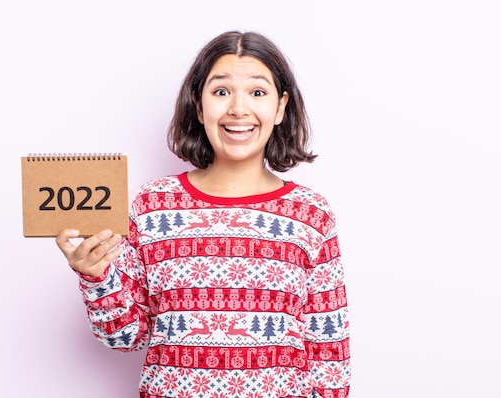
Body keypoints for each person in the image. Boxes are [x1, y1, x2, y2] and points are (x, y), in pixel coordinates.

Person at [56, 30, 351, 398]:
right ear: (199, 105)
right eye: (221, 91)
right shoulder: (153, 205)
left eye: (257, 92)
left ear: (280, 107)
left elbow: (330, 356)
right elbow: (124, 336)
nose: (238, 109)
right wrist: (96, 275)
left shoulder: (311, 215)